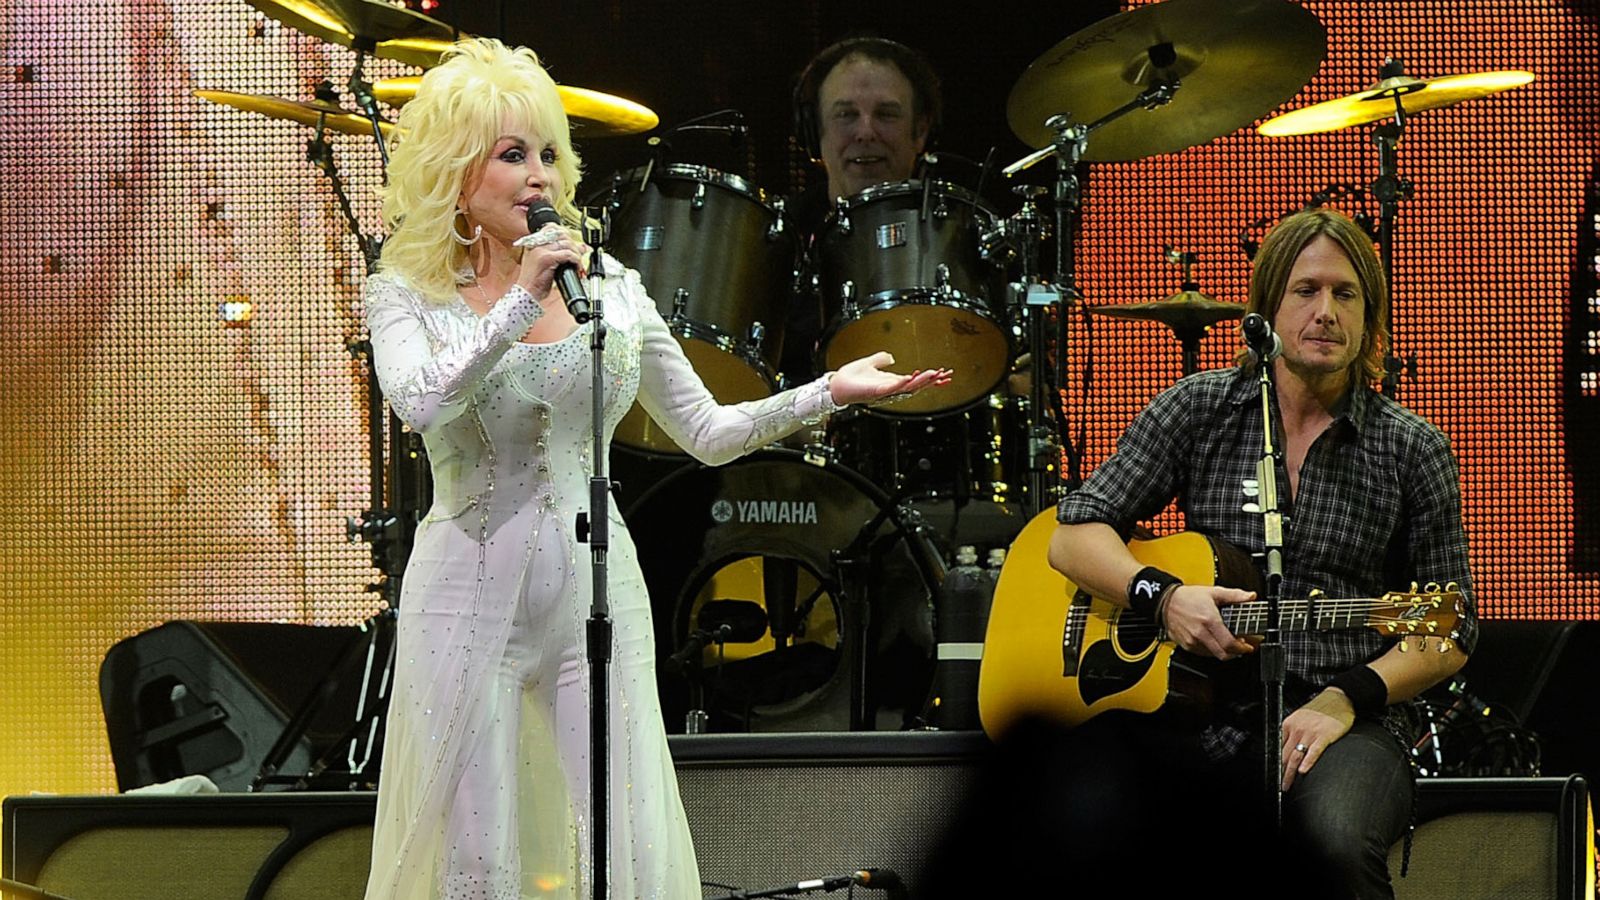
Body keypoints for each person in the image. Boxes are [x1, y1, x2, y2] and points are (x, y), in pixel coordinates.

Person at [360, 38, 948, 900]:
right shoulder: (405, 293)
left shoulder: (609, 287)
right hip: (462, 593)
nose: (539, 177)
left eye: (550, 155)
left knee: (623, 833)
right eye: (512, 154)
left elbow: (707, 431)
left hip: (595, 588)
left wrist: (829, 391)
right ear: (455, 171)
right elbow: (422, 402)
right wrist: (521, 295)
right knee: (476, 855)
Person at [1047, 207, 1478, 899]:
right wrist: (1160, 597)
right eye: (1305, 291)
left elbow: (1451, 631)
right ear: (1267, 310)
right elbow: (1072, 534)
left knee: (1334, 841)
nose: (1325, 312)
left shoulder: (1412, 448)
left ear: (1369, 319)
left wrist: (1345, 697)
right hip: (1192, 711)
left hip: (1345, 722)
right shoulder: (1200, 408)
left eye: (1345, 294)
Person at [781, 36, 940, 384]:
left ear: (920, 130)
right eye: (845, 115)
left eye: (886, 114)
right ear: (814, 133)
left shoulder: (964, 232)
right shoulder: (777, 238)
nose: (865, 131)